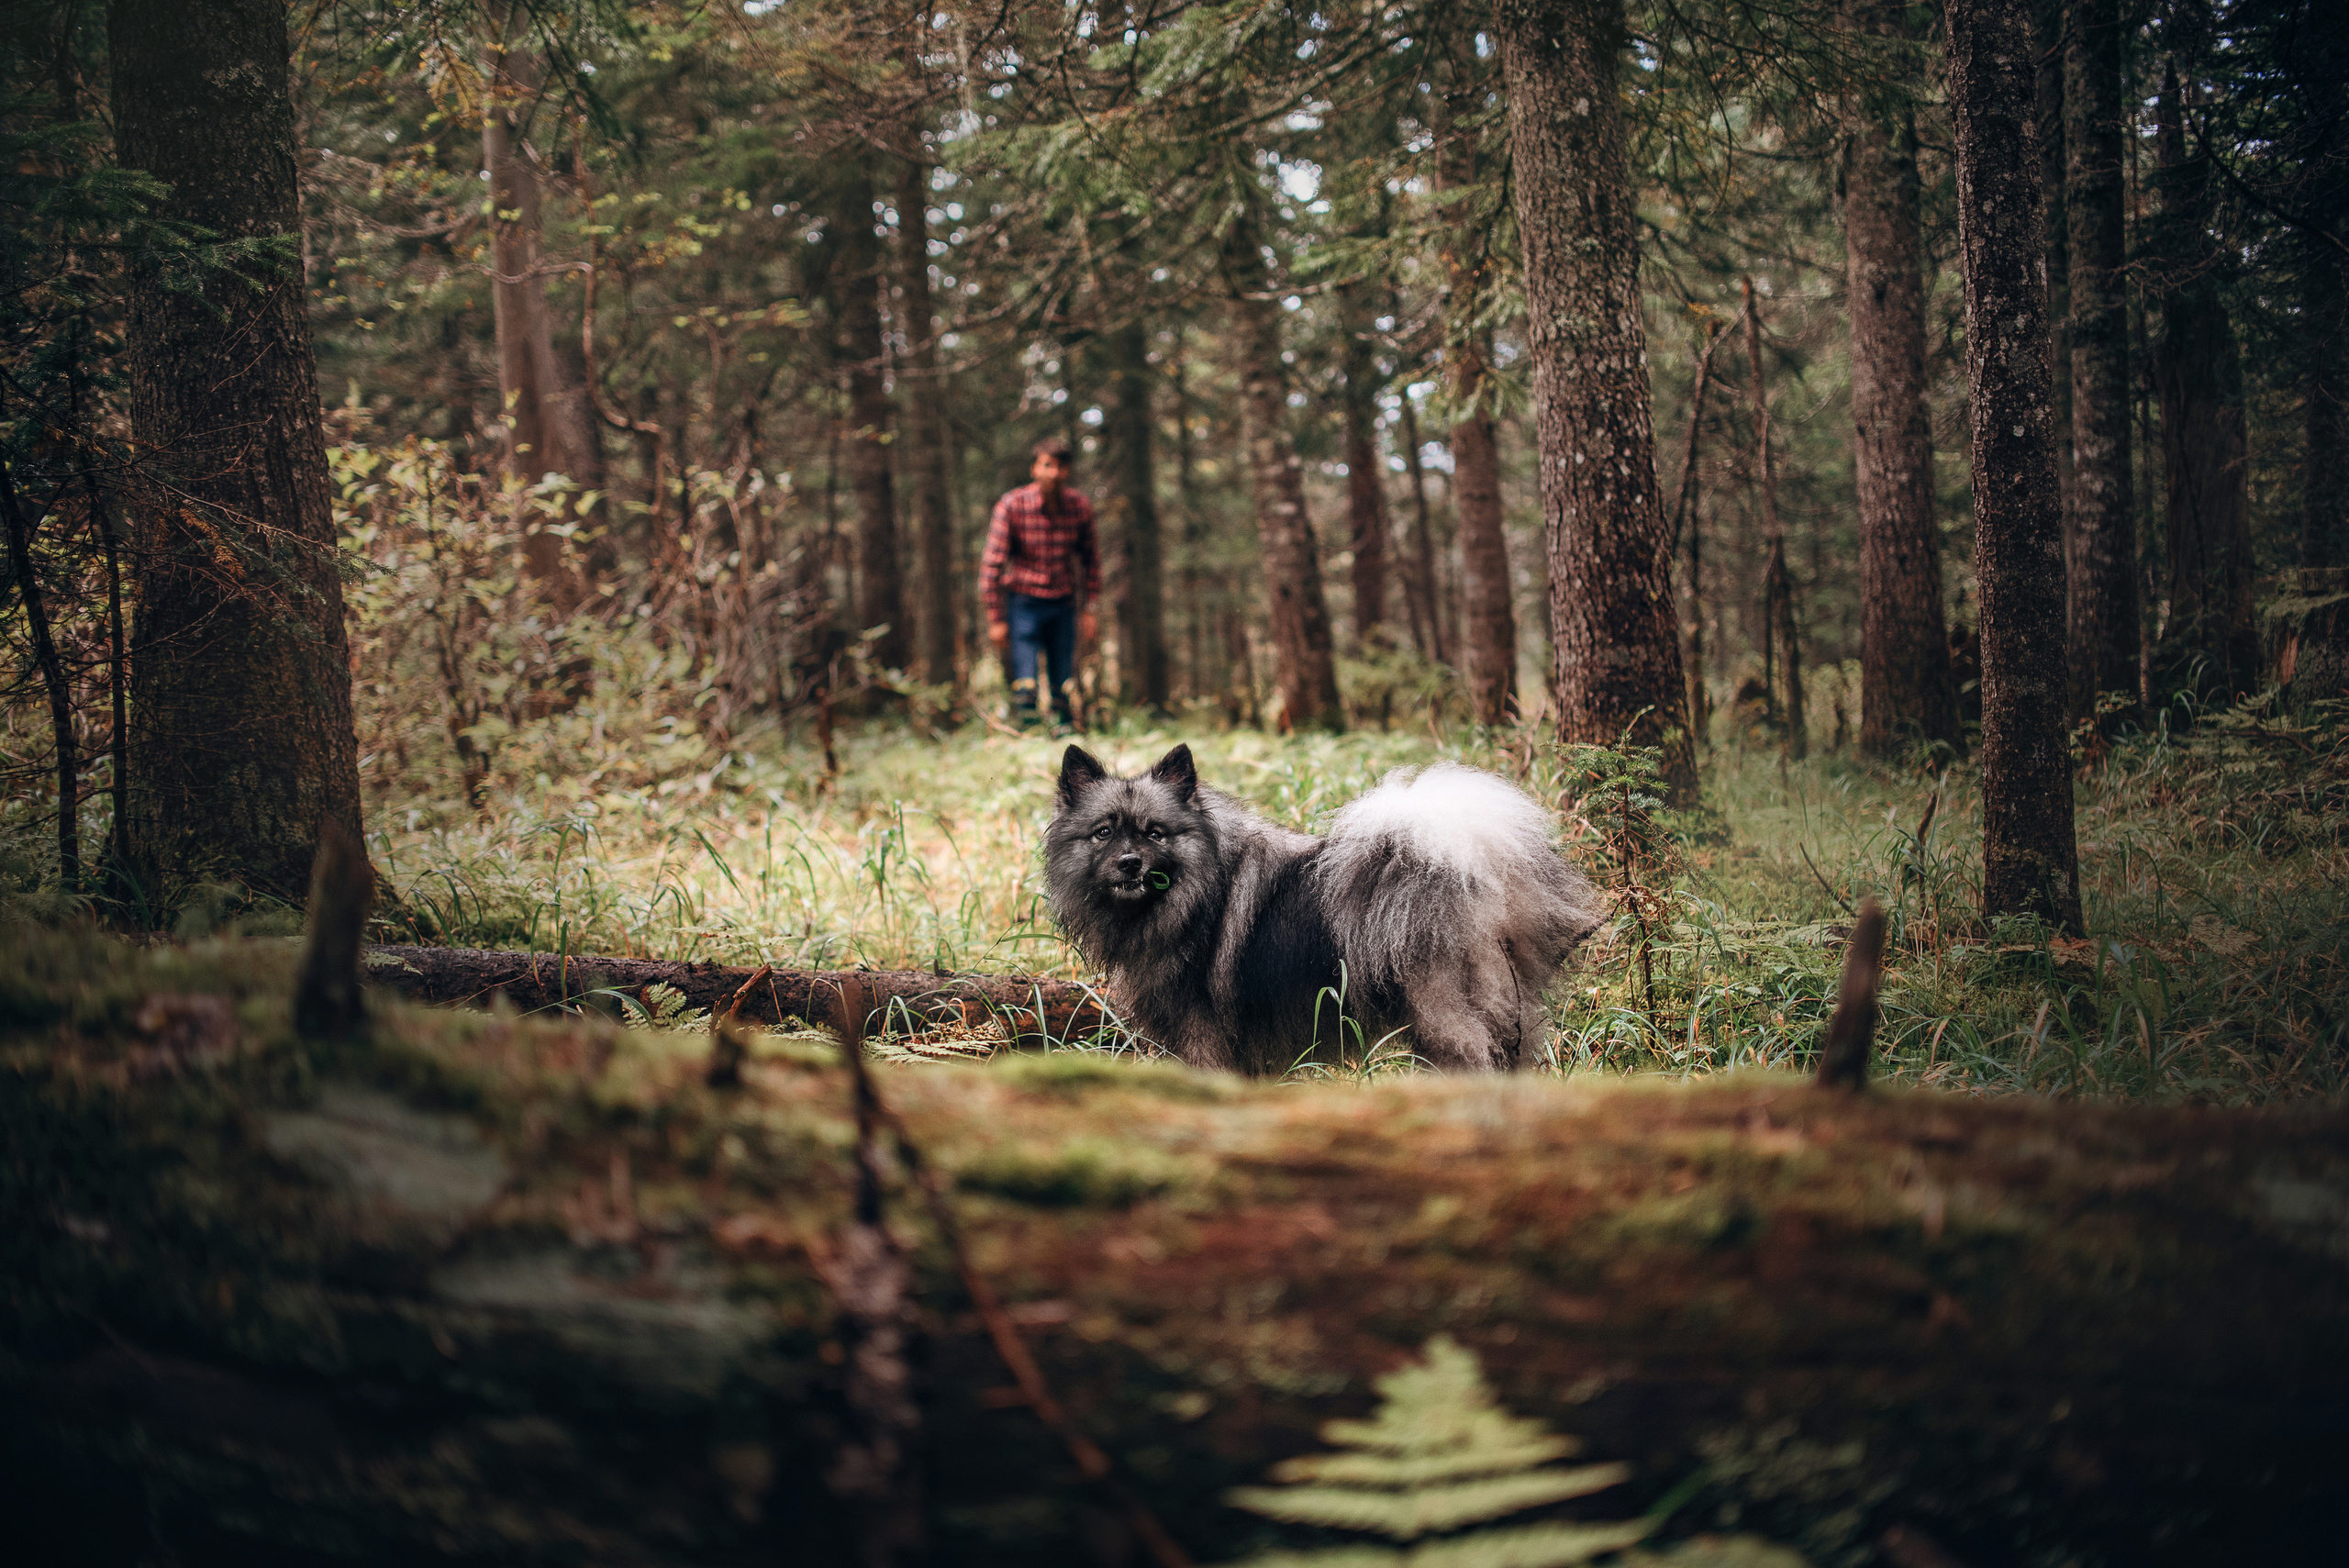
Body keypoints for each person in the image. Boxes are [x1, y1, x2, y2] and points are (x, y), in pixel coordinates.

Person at [980, 437, 1100, 729]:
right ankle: (1030, 734)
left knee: (1063, 679)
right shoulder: (1012, 505)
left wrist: (1090, 609)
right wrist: (996, 618)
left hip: (1063, 603)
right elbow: (992, 565)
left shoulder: (1078, 507)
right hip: (1023, 602)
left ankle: (1064, 736)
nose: (1053, 473)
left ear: (1068, 472)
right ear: (1035, 469)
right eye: (1047, 466)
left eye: (1060, 467)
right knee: (1026, 679)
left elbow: (1091, 562)